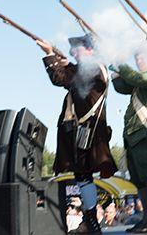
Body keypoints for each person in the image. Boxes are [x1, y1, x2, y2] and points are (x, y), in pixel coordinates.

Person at [37, 34, 118, 234]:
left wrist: (50, 55)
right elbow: (71, 75)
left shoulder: (92, 69)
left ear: (90, 50)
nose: (73, 52)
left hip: (87, 129)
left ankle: (91, 222)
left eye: (77, 49)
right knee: (83, 175)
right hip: (83, 129)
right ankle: (90, 220)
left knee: (83, 173)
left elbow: (61, 79)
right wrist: (62, 61)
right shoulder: (89, 69)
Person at [112, 51, 147, 233]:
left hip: (145, 132)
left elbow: (134, 77)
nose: (139, 60)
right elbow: (122, 86)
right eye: (136, 58)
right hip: (134, 134)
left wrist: (119, 63)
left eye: (142, 57)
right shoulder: (140, 79)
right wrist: (114, 68)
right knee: (138, 178)